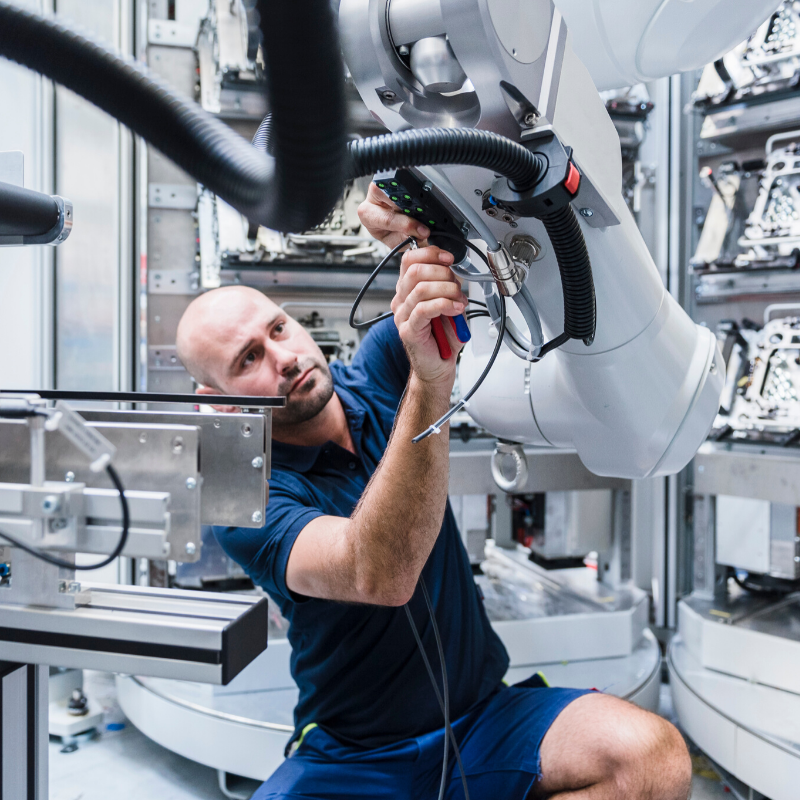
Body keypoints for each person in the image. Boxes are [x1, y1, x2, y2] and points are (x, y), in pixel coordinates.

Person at [175, 185, 692, 800]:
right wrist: (431, 377)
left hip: (483, 719)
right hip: (355, 753)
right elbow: (378, 573)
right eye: (249, 358)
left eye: (279, 329)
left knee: (651, 761)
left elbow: (472, 255)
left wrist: (412, 221)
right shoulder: (243, 497)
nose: (284, 358)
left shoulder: (374, 372)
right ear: (220, 402)